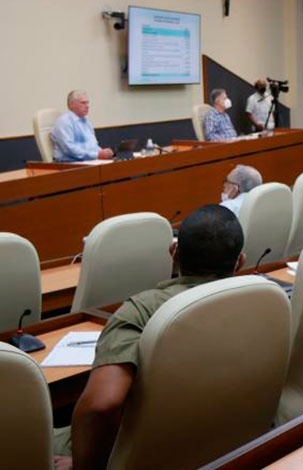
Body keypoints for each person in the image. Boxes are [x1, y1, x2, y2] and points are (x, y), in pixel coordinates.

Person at [53, 205, 246, 470]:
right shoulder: (262, 300)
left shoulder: (141, 310)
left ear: (173, 253)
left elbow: (101, 405)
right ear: (241, 262)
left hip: (145, 451)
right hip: (226, 439)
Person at [51, 90, 114, 162]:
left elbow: (93, 145)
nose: (87, 106)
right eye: (83, 103)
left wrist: (103, 152)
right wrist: (97, 155)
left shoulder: (86, 122)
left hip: (87, 161)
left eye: (87, 103)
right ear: (71, 105)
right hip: (68, 163)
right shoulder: (64, 122)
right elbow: (69, 149)